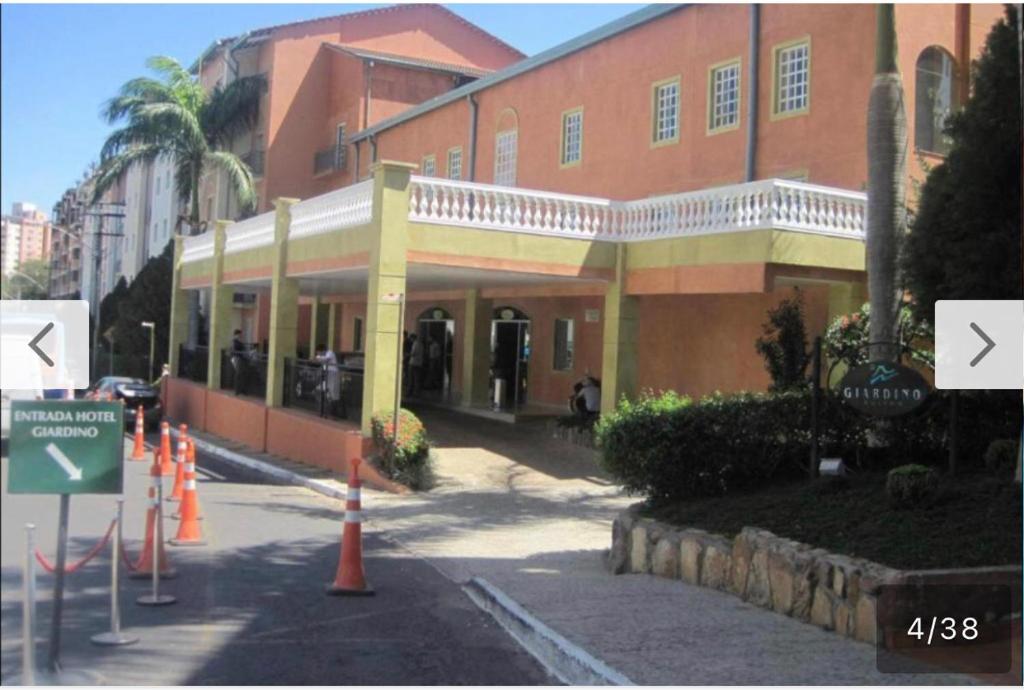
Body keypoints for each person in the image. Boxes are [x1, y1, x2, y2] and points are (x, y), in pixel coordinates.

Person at [314, 343, 340, 413]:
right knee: (319, 390)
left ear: (322, 350)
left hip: (333, 375)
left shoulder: (330, 353)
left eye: (319, 352)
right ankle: (323, 408)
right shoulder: (322, 356)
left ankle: (332, 411)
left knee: (332, 393)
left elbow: (326, 359)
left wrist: (317, 357)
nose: (319, 354)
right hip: (326, 375)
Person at [230, 329, 248, 395]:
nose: (240, 336)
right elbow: (236, 348)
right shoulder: (235, 342)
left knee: (241, 374)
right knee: (238, 374)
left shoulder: (237, 341)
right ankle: (237, 390)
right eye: (239, 334)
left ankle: (241, 390)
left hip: (239, 358)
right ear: (236, 335)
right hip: (237, 358)